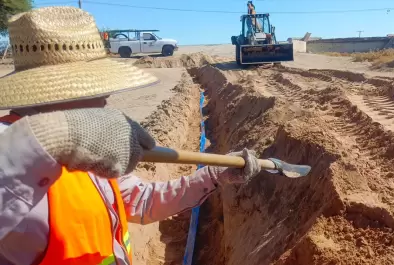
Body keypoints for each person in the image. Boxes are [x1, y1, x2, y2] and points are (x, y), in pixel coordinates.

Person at [0, 6, 261, 265]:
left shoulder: (88, 148)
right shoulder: (14, 152)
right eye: (95, 87)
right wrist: (55, 136)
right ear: (56, 90)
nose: (106, 98)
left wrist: (214, 175)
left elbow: (141, 201)